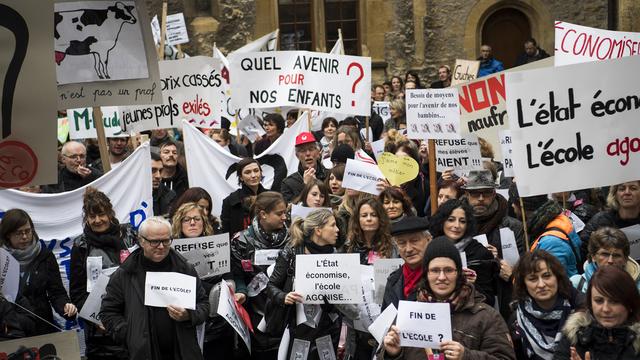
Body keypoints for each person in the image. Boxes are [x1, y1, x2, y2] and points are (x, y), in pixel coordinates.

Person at [381, 236, 516, 360]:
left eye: (448, 270)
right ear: (426, 274)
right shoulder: (407, 314)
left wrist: (466, 356)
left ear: (458, 273)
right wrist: (393, 354)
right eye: (435, 270)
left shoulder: (486, 316)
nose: (441, 277)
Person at [99, 217, 209, 360]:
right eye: (155, 241)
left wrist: (189, 315)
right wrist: (128, 334)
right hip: (142, 353)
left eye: (166, 240)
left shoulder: (184, 268)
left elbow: (204, 305)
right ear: (141, 241)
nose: (161, 246)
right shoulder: (125, 273)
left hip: (182, 351)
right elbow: (108, 311)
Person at [266, 209, 343, 360]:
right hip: (297, 330)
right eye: (333, 225)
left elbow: (340, 303)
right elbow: (271, 286)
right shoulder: (292, 252)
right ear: (318, 230)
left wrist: (327, 299)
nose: (337, 230)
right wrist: (284, 296)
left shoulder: (337, 257)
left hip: (326, 330)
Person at [70, 188, 137, 359]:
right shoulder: (81, 245)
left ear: (110, 213)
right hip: (100, 333)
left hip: (134, 320)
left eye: (101, 214)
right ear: (86, 218)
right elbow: (77, 292)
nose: (97, 220)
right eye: (92, 216)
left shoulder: (129, 234)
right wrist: (98, 320)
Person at [230, 191, 289, 359]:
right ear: (263, 214)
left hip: (286, 310)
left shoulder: (294, 238)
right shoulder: (241, 241)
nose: (284, 217)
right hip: (255, 311)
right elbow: (237, 274)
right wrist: (241, 290)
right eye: (279, 213)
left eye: (286, 212)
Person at [0, 209, 77, 336]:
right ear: (8, 234)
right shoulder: (2, 259)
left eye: (28, 231)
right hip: (12, 331)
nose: (25, 237)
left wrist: (66, 307)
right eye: (19, 233)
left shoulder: (44, 255)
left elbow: (56, 292)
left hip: (43, 327)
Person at [462, 169, 525, 317]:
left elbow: (523, 264)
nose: (481, 198)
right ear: (467, 195)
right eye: (475, 194)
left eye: (486, 193)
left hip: (502, 295)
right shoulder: (457, 224)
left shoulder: (511, 226)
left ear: (494, 194)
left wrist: (500, 260)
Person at [553, 265, 640, 360]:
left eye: (614, 301)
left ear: (630, 304)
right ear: (590, 303)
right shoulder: (574, 334)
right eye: (599, 301)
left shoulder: (637, 341)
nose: (605, 309)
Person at [510, 250, 584, 360]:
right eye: (533, 279)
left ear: (557, 278)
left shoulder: (583, 310)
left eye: (547, 276)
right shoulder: (516, 321)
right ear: (524, 284)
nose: (541, 284)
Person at [430, 199, 498, 306]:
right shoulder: (431, 249)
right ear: (442, 221)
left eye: (462, 221)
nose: (457, 225)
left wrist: (473, 285)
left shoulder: (480, 254)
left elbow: (489, 300)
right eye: (451, 220)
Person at [580, 181, 640, 261]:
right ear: (615, 194)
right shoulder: (600, 221)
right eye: (622, 189)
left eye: (633, 188)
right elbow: (584, 252)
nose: (627, 192)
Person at [382, 216, 432, 310]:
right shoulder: (393, 280)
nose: (408, 249)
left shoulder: (439, 277)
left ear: (429, 240)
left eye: (414, 241)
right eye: (402, 243)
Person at [571, 227, 640, 293]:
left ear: (625, 259)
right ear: (593, 256)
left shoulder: (638, 286)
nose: (610, 260)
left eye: (616, 255)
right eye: (605, 254)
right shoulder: (576, 284)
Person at [528, 199, 582, 277]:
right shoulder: (557, 222)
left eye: (515, 203)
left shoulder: (551, 242)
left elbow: (553, 279)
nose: (512, 206)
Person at [221, 158, 267, 236]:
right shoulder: (230, 201)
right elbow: (226, 232)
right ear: (241, 177)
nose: (253, 175)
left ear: (261, 173)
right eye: (247, 172)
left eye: (256, 170)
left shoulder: (272, 196)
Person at [347, 197, 398, 264]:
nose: (369, 219)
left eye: (374, 215)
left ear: (380, 219)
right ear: (357, 220)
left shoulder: (391, 245)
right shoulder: (349, 245)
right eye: (364, 215)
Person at [281, 132, 327, 202]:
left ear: (318, 152)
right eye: (302, 150)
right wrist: (306, 186)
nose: (308, 153)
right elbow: (290, 210)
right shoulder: (288, 183)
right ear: (297, 156)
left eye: (311, 149)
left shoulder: (329, 176)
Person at [151, 151, 177, 217]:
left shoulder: (169, 196)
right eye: (153, 170)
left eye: (160, 171)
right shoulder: (130, 195)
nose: (158, 176)